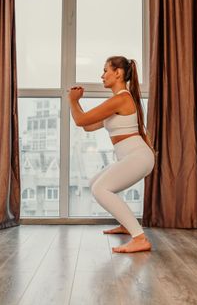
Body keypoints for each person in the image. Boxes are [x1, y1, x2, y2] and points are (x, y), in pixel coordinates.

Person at [68, 56, 155, 253]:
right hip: (132, 157)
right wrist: (76, 103)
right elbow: (88, 126)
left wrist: (73, 101)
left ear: (118, 73)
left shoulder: (121, 99)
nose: (102, 75)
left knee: (101, 189)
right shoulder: (119, 101)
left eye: (105, 70)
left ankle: (140, 238)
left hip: (139, 156)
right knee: (95, 184)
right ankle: (127, 224)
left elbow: (80, 120)